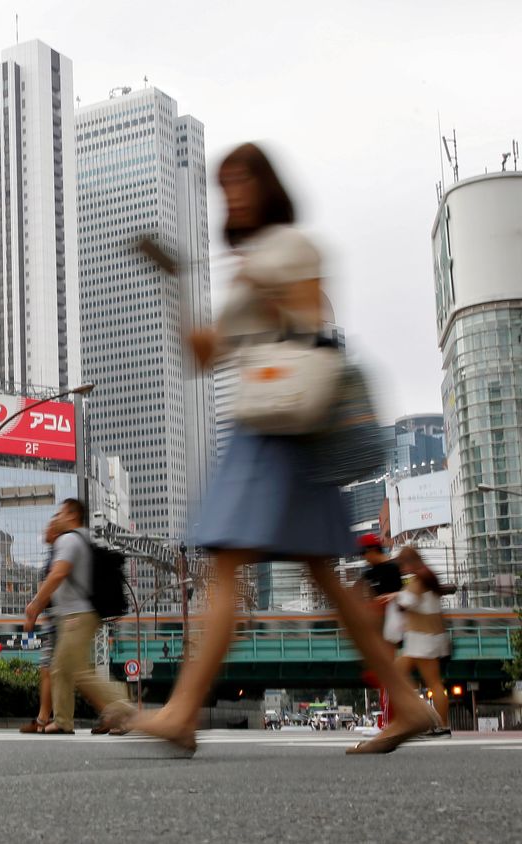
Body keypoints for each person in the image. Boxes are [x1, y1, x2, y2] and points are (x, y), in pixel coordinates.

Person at [128, 143, 435, 755]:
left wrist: (256, 282)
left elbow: (310, 316)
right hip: (271, 425)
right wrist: (176, 286)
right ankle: (406, 704)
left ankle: (183, 711)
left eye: (240, 180)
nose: (232, 192)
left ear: (266, 185)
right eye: (225, 184)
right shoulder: (251, 262)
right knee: (322, 574)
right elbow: (204, 354)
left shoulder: (290, 248)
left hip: (279, 426)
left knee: (226, 564)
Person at [24, 499, 133, 736]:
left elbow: (58, 573)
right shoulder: (81, 539)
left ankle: (123, 707)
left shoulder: (69, 539)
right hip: (77, 615)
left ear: (72, 515)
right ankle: (63, 720)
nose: (57, 517)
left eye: (61, 513)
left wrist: (35, 604)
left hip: (76, 615)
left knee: (72, 670)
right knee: (64, 670)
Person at [393, 547, 454, 736]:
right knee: (396, 674)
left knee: (433, 683)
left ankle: (440, 725)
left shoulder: (419, 580)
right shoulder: (427, 577)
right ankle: (418, 718)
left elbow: (405, 602)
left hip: (423, 640)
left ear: (409, 562)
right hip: (423, 639)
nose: (401, 568)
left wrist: (393, 596)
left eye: (402, 564)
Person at [354, 534, 404, 729]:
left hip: (390, 627)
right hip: (375, 629)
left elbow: (404, 596)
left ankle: (391, 718)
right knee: (379, 674)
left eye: (364, 553)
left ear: (373, 550)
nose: (364, 558)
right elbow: (355, 594)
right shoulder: (368, 574)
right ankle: (388, 716)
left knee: (387, 674)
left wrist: (388, 598)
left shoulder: (393, 569)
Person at [21, 517, 60, 734]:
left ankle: (45, 718)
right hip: (55, 617)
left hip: (60, 617)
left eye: (49, 525)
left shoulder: (60, 551)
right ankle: (48, 718)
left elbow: (54, 581)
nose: (45, 530)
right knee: (52, 669)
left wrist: (34, 609)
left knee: (54, 669)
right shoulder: (55, 552)